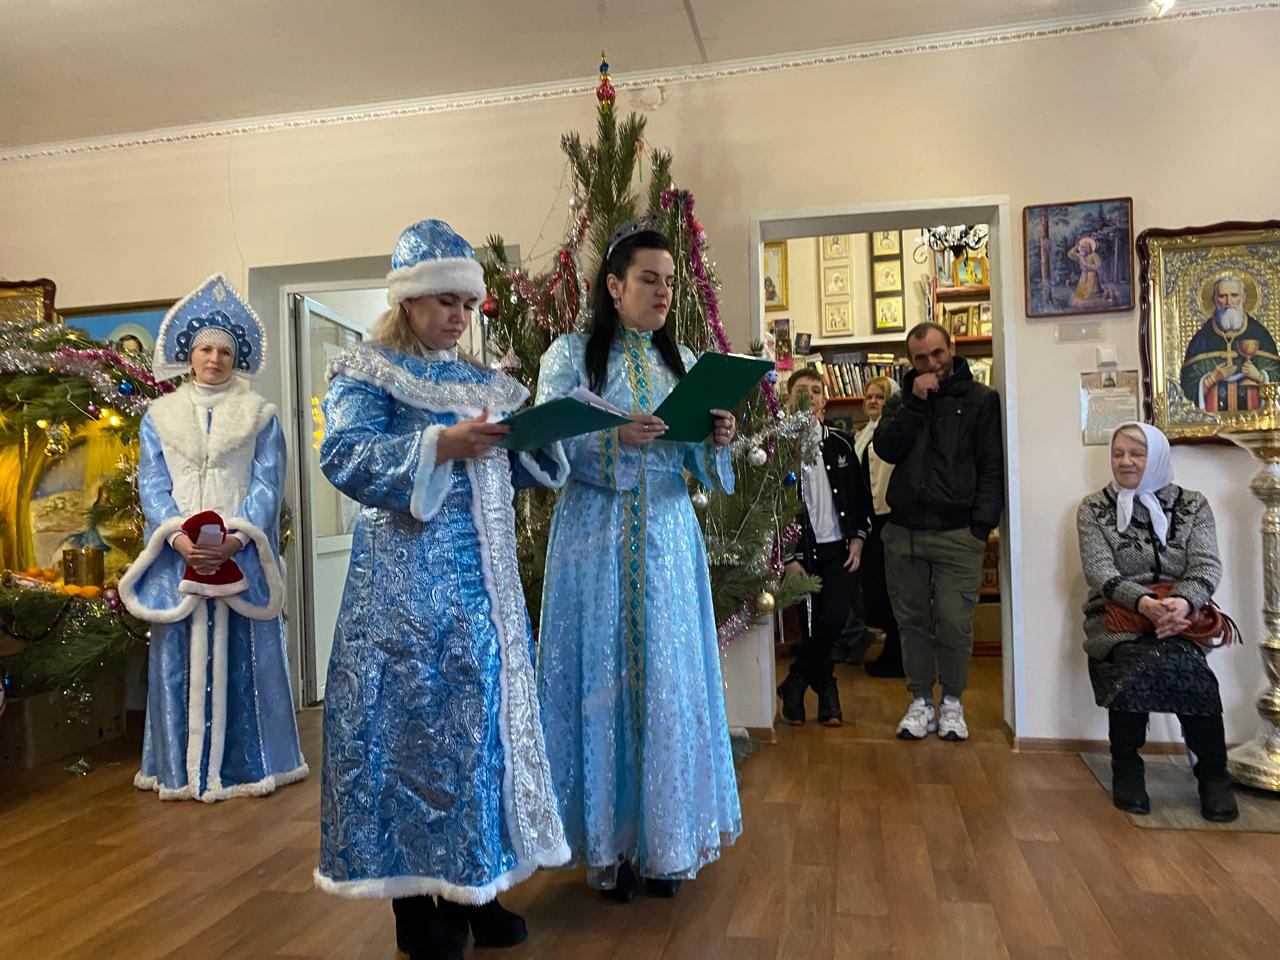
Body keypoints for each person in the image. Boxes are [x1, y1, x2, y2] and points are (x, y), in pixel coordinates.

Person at [314, 221, 570, 960]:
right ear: (409, 302)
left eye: (467, 304)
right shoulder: (369, 372)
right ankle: (417, 905)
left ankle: (477, 883)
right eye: (444, 302)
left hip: (484, 592)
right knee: (412, 735)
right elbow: (344, 454)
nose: (459, 316)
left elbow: (512, 467)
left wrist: (537, 437)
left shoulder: (482, 381)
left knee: (482, 729)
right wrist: (438, 445)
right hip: (402, 592)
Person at [535, 218, 741, 903]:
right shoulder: (569, 356)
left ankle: (665, 842)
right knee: (601, 678)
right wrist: (613, 439)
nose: (663, 293)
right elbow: (546, 444)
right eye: (649, 279)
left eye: (671, 282)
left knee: (665, 679)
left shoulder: (682, 362)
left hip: (668, 540)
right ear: (614, 286)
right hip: (591, 538)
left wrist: (714, 438)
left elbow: (699, 465)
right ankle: (607, 848)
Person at [119, 274, 307, 802]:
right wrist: (177, 537)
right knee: (177, 656)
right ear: (190, 354)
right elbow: (152, 482)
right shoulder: (159, 417)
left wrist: (236, 539)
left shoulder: (261, 417)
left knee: (247, 655)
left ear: (236, 357)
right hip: (176, 557)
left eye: (224, 351)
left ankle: (251, 764)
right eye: (205, 349)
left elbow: (269, 484)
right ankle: (176, 770)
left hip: (240, 556)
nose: (214, 359)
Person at [1077, 422, 1238, 822]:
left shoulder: (1193, 504)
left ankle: (1213, 776)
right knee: (1132, 664)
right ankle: (1127, 768)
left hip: (1181, 615)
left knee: (1192, 671)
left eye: (1137, 454)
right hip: (1118, 614)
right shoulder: (1093, 508)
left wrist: (1181, 604)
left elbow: (1206, 564)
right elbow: (1100, 571)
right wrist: (1145, 603)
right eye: (1118, 454)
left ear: (1158, 457)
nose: (1126, 462)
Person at [873, 322, 1003, 741]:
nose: (931, 363)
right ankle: (919, 701)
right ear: (910, 361)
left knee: (953, 623)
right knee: (910, 623)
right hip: (903, 530)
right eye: (920, 358)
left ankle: (951, 703)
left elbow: (992, 467)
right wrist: (914, 403)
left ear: (952, 348)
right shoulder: (900, 401)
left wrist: (980, 528)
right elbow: (886, 448)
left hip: (957, 532)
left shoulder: (982, 400)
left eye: (937, 353)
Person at [778, 368, 872, 726]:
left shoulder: (842, 443)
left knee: (834, 619)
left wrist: (859, 539)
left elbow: (861, 499)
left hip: (841, 550)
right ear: (789, 400)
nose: (810, 396)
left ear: (825, 400)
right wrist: (787, 557)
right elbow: (771, 508)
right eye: (802, 390)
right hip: (801, 556)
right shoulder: (777, 449)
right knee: (812, 627)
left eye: (816, 390)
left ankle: (796, 681)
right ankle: (827, 693)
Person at [858, 376, 905, 678]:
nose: (873, 401)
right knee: (876, 586)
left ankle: (898, 653)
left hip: (890, 516)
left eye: (880, 397)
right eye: (869, 397)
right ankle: (890, 646)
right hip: (870, 521)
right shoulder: (862, 433)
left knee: (893, 586)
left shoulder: (893, 431)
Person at [1179, 274, 1280, 412]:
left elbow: (1277, 375)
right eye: (1222, 296)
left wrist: (1260, 377)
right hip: (1210, 421)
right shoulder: (1201, 340)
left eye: (1234, 295)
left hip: (1255, 419)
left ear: (1243, 297)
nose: (1229, 302)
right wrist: (1211, 379)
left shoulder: (1260, 335)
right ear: (1214, 300)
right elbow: (1186, 388)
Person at [1068, 236, 1111, 307]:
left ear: (1089, 248)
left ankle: (1100, 293)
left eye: (1085, 248)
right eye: (1082, 248)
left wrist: (1087, 265)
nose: (1083, 249)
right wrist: (1075, 247)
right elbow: (1070, 254)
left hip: (1092, 275)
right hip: (1083, 275)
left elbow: (1098, 265)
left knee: (1090, 295)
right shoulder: (1081, 256)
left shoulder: (1094, 255)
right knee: (1080, 295)